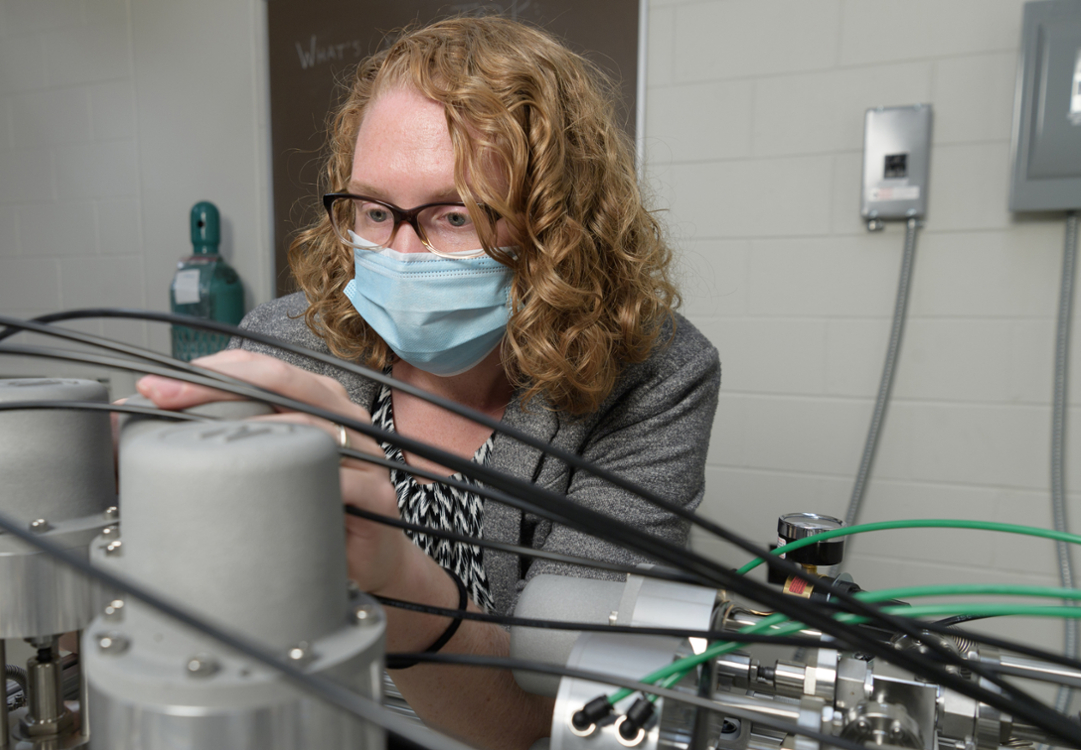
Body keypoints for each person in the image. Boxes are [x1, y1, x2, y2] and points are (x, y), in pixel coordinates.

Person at [137, 15, 720, 750]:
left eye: (453, 215)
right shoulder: (288, 343)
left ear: (556, 226)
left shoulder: (655, 379)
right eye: (376, 211)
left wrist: (391, 570)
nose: (401, 253)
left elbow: (545, 714)